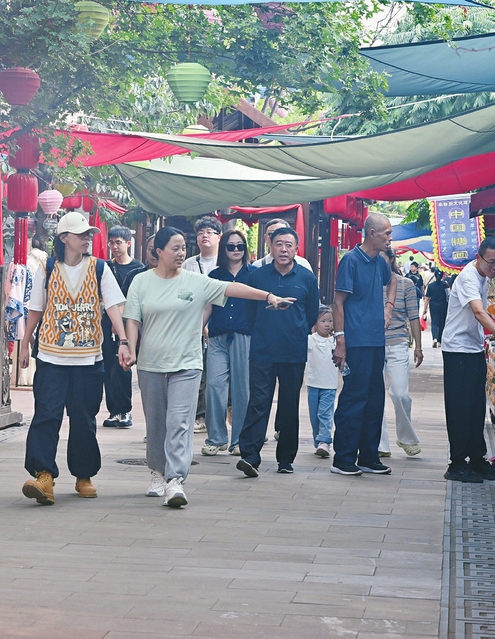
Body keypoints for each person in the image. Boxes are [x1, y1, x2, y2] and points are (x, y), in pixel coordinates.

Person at [123, 226, 294, 508]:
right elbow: (132, 318)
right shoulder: (141, 282)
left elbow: (233, 289)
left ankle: (175, 480)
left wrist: (268, 296)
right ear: (159, 252)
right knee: (156, 424)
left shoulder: (197, 281)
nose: (181, 253)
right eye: (175, 248)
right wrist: (129, 348)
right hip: (151, 364)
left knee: (179, 422)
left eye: (183, 248)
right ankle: (157, 471)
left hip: (187, 363)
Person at [18, 212, 132, 505]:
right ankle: (44, 475)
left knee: (83, 418)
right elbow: (36, 309)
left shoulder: (99, 268)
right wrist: (25, 343)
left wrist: (122, 341)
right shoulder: (47, 268)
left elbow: (113, 307)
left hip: (88, 357)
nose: (87, 238)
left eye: (89, 234)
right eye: (81, 234)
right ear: (64, 238)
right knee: (46, 415)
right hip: (51, 356)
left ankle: (84, 475)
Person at [235, 227, 320, 477]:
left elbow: (311, 314)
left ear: (296, 249)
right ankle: (250, 456)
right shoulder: (257, 276)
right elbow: (249, 312)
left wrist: (296, 331)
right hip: (262, 349)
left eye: (289, 245)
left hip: (293, 351)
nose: (284, 249)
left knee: (289, 404)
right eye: (279, 244)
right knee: (258, 402)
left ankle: (286, 458)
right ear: (270, 247)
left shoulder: (306, 278)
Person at [330, 213, 397, 477]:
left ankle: (369, 456)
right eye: (387, 233)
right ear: (372, 233)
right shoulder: (351, 260)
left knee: (375, 399)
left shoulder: (380, 261)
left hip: (376, 340)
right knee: (354, 398)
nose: (390, 238)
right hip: (356, 340)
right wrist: (341, 339)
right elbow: (338, 303)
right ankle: (343, 458)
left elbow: (392, 280)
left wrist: (389, 306)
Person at [442, 236, 495, 484]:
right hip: (457, 349)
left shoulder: (484, 276)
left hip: (473, 347)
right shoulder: (469, 277)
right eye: (492, 262)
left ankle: (477, 460)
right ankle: (457, 463)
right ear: (478, 257)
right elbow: (479, 312)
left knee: (476, 407)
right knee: (460, 408)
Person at [202, 229, 255, 457]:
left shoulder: (253, 274)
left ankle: (239, 440)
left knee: (242, 389)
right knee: (214, 386)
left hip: (244, 335)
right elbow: (207, 306)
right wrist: (197, 329)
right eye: (230, 246)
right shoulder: (215, 275)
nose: (235, 250)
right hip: (217, 335)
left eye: (240, 246)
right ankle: (216, 438)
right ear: (223, 249)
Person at [379, 250, 424, 459]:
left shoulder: (406, 284)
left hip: (397, 343)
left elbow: (414, 316)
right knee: (375, 395)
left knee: (400, 393)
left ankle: (406, 437)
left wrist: (418, 347)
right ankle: (380, 444)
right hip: (372, 344)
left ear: (391, 259)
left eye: (382, 257)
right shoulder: (368, 282)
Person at [102, 226, 146, 429]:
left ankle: (125, 410)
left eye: (118, 242)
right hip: (107, 322)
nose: (114, 247)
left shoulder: (139, 269)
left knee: (123, 366)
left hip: (129, 323)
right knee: (108, 366)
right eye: (111, 243)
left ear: (128, 243)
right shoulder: (105, 267)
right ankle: (113, 411)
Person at [182, 216, 222, 434]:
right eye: (200, 233)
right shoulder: (188, 264)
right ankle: (200, 415)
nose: (204, 236)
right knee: (198, 370)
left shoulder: (224, 261)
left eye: (209, 232)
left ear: (219, 237)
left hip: (220, 322)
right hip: (194, 322)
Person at [306, 305, 337, 458]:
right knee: (314, 415)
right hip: (313, 383)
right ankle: (318, 441)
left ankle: (325, 441)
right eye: (323, 321)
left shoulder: (336, 341)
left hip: (329, 385)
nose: (327, 324)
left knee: (324, 414)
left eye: (330, 321)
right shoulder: (310, 340)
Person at [422, 270, 448, 348]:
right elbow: (448, 296)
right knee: (442, 323)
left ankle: (435, 338)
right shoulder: (445, 285)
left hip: (433, 306)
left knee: (434, 322)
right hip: (443, 306)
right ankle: (439, 340)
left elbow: (427, 298)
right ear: (442, 275)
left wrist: (425, 309)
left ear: (435, 276)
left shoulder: (431, 286)